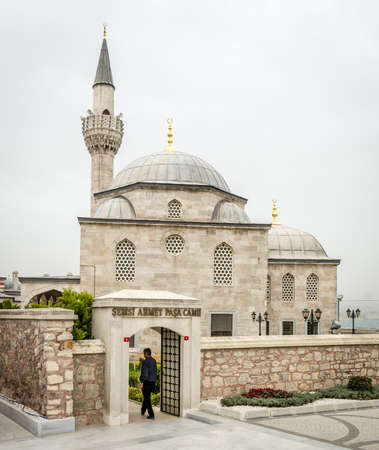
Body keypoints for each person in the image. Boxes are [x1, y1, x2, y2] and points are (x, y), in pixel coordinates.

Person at [140, 348, 157, 419]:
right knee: (146, 397)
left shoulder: (146, 361)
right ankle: (143, 410)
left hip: (147, 382)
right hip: (152, 382)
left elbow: (145, 374)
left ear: (146, 354)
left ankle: (151, 414)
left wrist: (142, 381)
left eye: (144, 353)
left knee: (147, 399)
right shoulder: (154, 361)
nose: (143, 355)